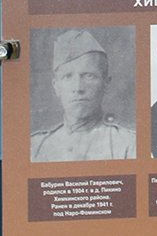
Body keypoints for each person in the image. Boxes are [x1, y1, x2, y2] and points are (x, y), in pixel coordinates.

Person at [31, 30, 136, 162]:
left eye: (89, 76)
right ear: (56, 86)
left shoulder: (129, 143)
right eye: (67, 77)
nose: (78, 88)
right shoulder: (36, 146)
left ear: (106, 83)